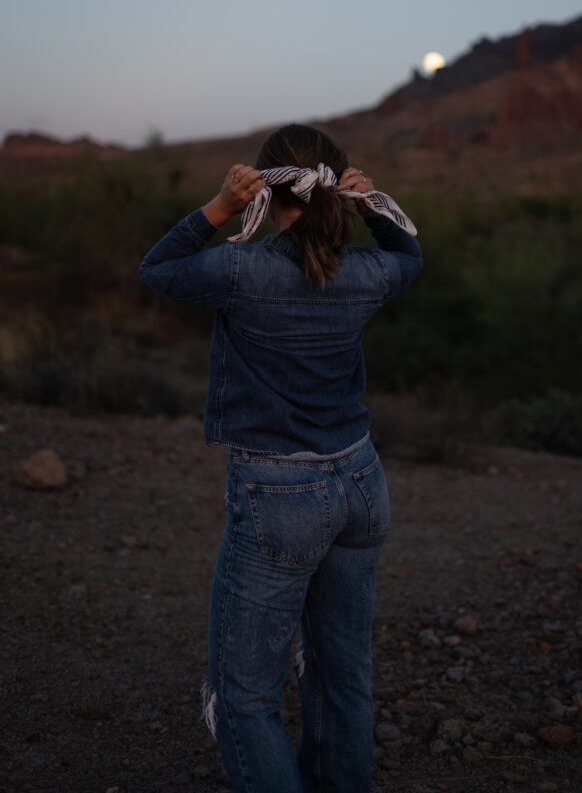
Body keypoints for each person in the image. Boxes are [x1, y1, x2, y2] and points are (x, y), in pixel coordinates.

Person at [139, 123, 422, 793]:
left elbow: (157, 269)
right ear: (337, 183)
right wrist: (372, 207)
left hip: (279, 497)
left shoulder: (237, 269)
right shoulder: (368, 271)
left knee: (245, 698)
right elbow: (410, 259)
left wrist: (218, 208)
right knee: (340, 673)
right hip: (360, 482)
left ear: (265, 184)